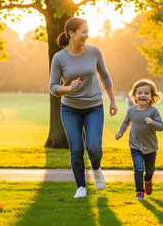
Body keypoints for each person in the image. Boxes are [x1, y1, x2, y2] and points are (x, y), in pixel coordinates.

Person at [49, 17, 118, 199]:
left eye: (88, 31)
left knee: (94, 147)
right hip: (70, 109)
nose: (87, 35)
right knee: (77, 149)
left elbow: (104, 76)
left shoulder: (94, 52)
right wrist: (68, 88)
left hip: (94, 106)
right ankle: (81, 186)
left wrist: (112, 100)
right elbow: (53, 87)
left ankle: (95, 168)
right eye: (83, 32)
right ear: (71, 33)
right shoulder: (59, 58)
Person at [115, 79, 163, 200]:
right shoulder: (131, 111)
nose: (143, 95)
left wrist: (152, 122)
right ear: (134, 96)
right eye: (140, 93)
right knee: (138, 168)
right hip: (135, 145)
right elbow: (126, 122)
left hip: (150, 147)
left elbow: (161, 127)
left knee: (149, 170)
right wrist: (121, 131)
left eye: (146, 93)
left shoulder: (153, 111)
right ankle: (139, 192)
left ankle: (148, 180)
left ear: (151, 96)